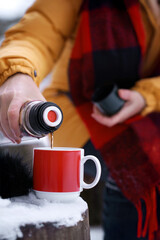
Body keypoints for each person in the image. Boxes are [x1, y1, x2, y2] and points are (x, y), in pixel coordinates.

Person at [1, 0, 160, 239]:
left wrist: (145, 95)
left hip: (148, 113)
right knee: (132, 168)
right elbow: (35, 34)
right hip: (80, 113)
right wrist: (17, 74)